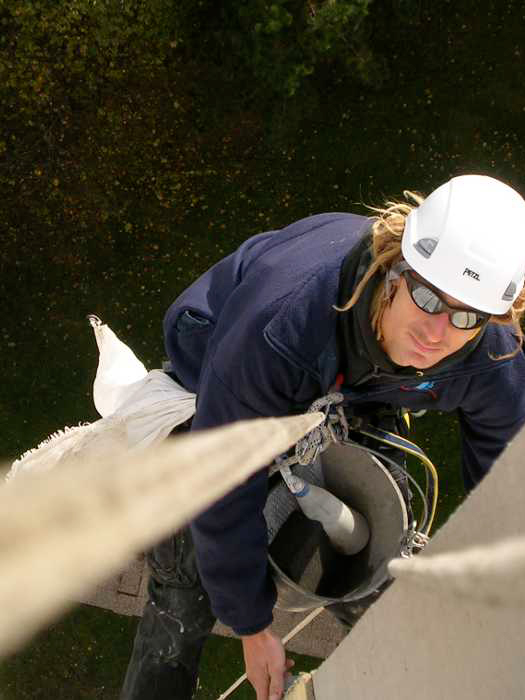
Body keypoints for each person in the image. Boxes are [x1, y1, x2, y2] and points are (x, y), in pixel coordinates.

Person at [120, 174, 525, 700]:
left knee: (381, 554)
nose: (436, 332)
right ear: (394, 270)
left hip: (361, 388)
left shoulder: (491, 353)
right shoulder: (281, 323)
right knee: (185, 581)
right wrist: (251, 625)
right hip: (226, 364)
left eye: (465, 316)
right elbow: (218, 478)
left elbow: (506, 476)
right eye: (426, 296)